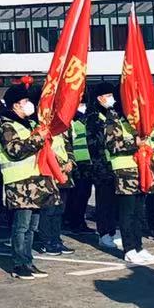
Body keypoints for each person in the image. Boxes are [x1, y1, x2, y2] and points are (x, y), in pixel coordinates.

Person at [0, 84, 55, 279]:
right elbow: (15, 150)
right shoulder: (7, 126)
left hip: (35, 182)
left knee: (32, 227)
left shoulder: (29, 124)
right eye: (25, 101)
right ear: (15, 105)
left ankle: (28, 262)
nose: (29, 104)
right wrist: (38, 139)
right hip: (19, 184)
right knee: (21, 226)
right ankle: (18, 264)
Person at [102, 88, 154, 266]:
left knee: (138, 211)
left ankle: (138, 246)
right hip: (125, 172)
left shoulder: (137, 120)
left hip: (141, 169)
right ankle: (129, 249)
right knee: (127, 212)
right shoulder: (114, 116)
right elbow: (112, 144)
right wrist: (134, 143)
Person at [85, 83, 122, 250]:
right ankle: (104, 233)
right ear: (100, 98)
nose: (111, 99)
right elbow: (96, 143)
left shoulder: (111, 114)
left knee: (115, 202)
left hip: (114, 165)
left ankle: (113, 231)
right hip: (101, 166)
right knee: (104, 201)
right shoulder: (94, 117)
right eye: (108, 96)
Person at [63, 104, 94, 232]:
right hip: (77, 163)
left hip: (88, 162)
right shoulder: (71, 119)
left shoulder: (88, 117)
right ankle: (73, 221)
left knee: (84, 194)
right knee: (77, 194)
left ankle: (78, 220)